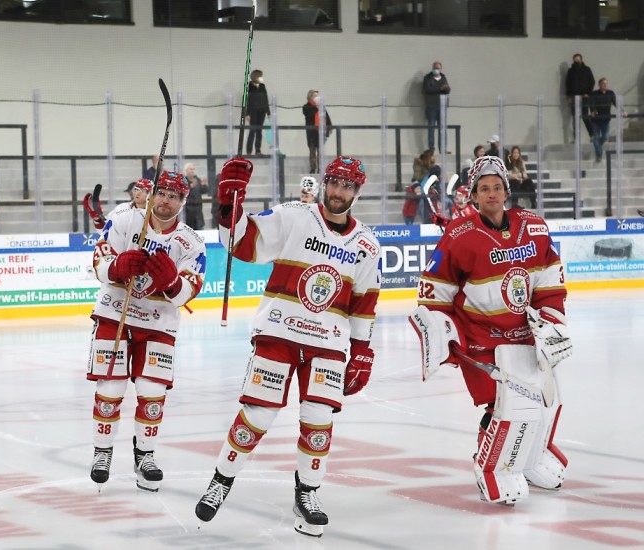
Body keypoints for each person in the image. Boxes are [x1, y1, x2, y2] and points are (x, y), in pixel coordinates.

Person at [194, 156, 381, 537]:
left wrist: (361, 350)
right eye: (334, 182)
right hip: (279, 331)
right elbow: (243, 244)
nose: (338, 191)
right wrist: (228, 206)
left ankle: (307, 493)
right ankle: (221, 481)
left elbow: (364, 302)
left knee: (319, 420)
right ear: (325, 183)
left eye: (347, 186)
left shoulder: (367, 244)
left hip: (328, 343)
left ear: (357, 192)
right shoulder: (294, 215)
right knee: (258, 415)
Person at [409, 155, 572, 506]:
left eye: (497, 187)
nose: (492, 193)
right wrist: (442, 332)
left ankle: (530, 458)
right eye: (485, 188)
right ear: (475, 195)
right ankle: (492, 467)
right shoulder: (460, 234)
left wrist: (551, 319)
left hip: (524, 335)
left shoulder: (533, 225)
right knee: (507, 405)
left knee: (548, 400)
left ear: (506, 190)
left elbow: (548, 276)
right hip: (482, 339)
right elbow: (434, 289)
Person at [86, 170, 206, 493]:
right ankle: (102, 452)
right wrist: (117, 267)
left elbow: (190, 290)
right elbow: (99, 259)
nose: (166, 200)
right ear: (152, 193)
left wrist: (172, 282)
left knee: (152, 391)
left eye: (174, 196)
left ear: (183, 201)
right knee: (110, 387)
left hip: (159, 323)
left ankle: (146, 456)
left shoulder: (191, 242)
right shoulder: (126, 221)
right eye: (162, 193)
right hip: (115, 314)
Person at [587, 78, 626, 163]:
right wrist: (593, 111)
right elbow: (591, 104)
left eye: (606, 84)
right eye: (603, 84)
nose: (605, 85)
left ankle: (596, 144)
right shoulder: (594, 94)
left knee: (605, 137)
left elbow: (616, 103)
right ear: (599, 85)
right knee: (596, 137)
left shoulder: (610, 93)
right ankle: (599, 155)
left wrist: (622, 111)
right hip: (595, 120)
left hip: (605, 120)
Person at [422, 61, 451, 152]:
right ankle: (431, 148)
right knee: (431, 127)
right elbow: (427, 89)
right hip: (431, 106)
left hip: (442, 106)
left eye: (438, 68)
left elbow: (447, 90)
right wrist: (439, 89)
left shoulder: (443, 77)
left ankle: (443, 148)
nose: (436, 70)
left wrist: (445, 88)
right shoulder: (428, 78)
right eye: (435, 68)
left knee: (442, 128)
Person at [565, 53, 595, 140]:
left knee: (585, 116)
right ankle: (576, 137)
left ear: (581, 60)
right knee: (575, 118)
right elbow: (568, 83)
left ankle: (591, 134)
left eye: (578, 59)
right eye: (575, 59)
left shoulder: (587, 69)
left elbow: (592, 82)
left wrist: (588, 93)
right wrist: (569, 95)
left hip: (584, 97)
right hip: (574, 98)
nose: (577, 61)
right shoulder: (571, 71)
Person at [302, 89, 332, 173]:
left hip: (320, 131)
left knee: (320, 150)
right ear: (311, 97)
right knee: (312, 150)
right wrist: (316, 108)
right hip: (312, 132)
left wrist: (329, 127)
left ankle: (320, 168)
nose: (318, 97)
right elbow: (308, 115)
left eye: (318, 96)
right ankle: (313, 167)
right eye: (316, 96)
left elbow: (326, 117)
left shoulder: (322, 107)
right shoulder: (306, 106)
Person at [245, 69, 270, 157]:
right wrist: (247, 113)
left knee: (259, 131)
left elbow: (265, 98)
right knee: (252, 130)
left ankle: (258, 150)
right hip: (253, 111)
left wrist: (268, 112)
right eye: (260, 76)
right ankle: (249, 151)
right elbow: (248, 100)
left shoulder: (262, 86)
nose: (262, 78)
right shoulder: (249, 86)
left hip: (262, 111)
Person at [184, 162, 208, 230]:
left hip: (198, 211)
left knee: (200, 230)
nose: (192, 171)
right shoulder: (184, 180)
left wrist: (204, 185)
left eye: (193, 169)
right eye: (191, 169)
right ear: (186, 170)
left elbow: (204, 191)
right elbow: (182, 192)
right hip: (189, 211)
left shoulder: (197, 179)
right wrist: (191, 186)